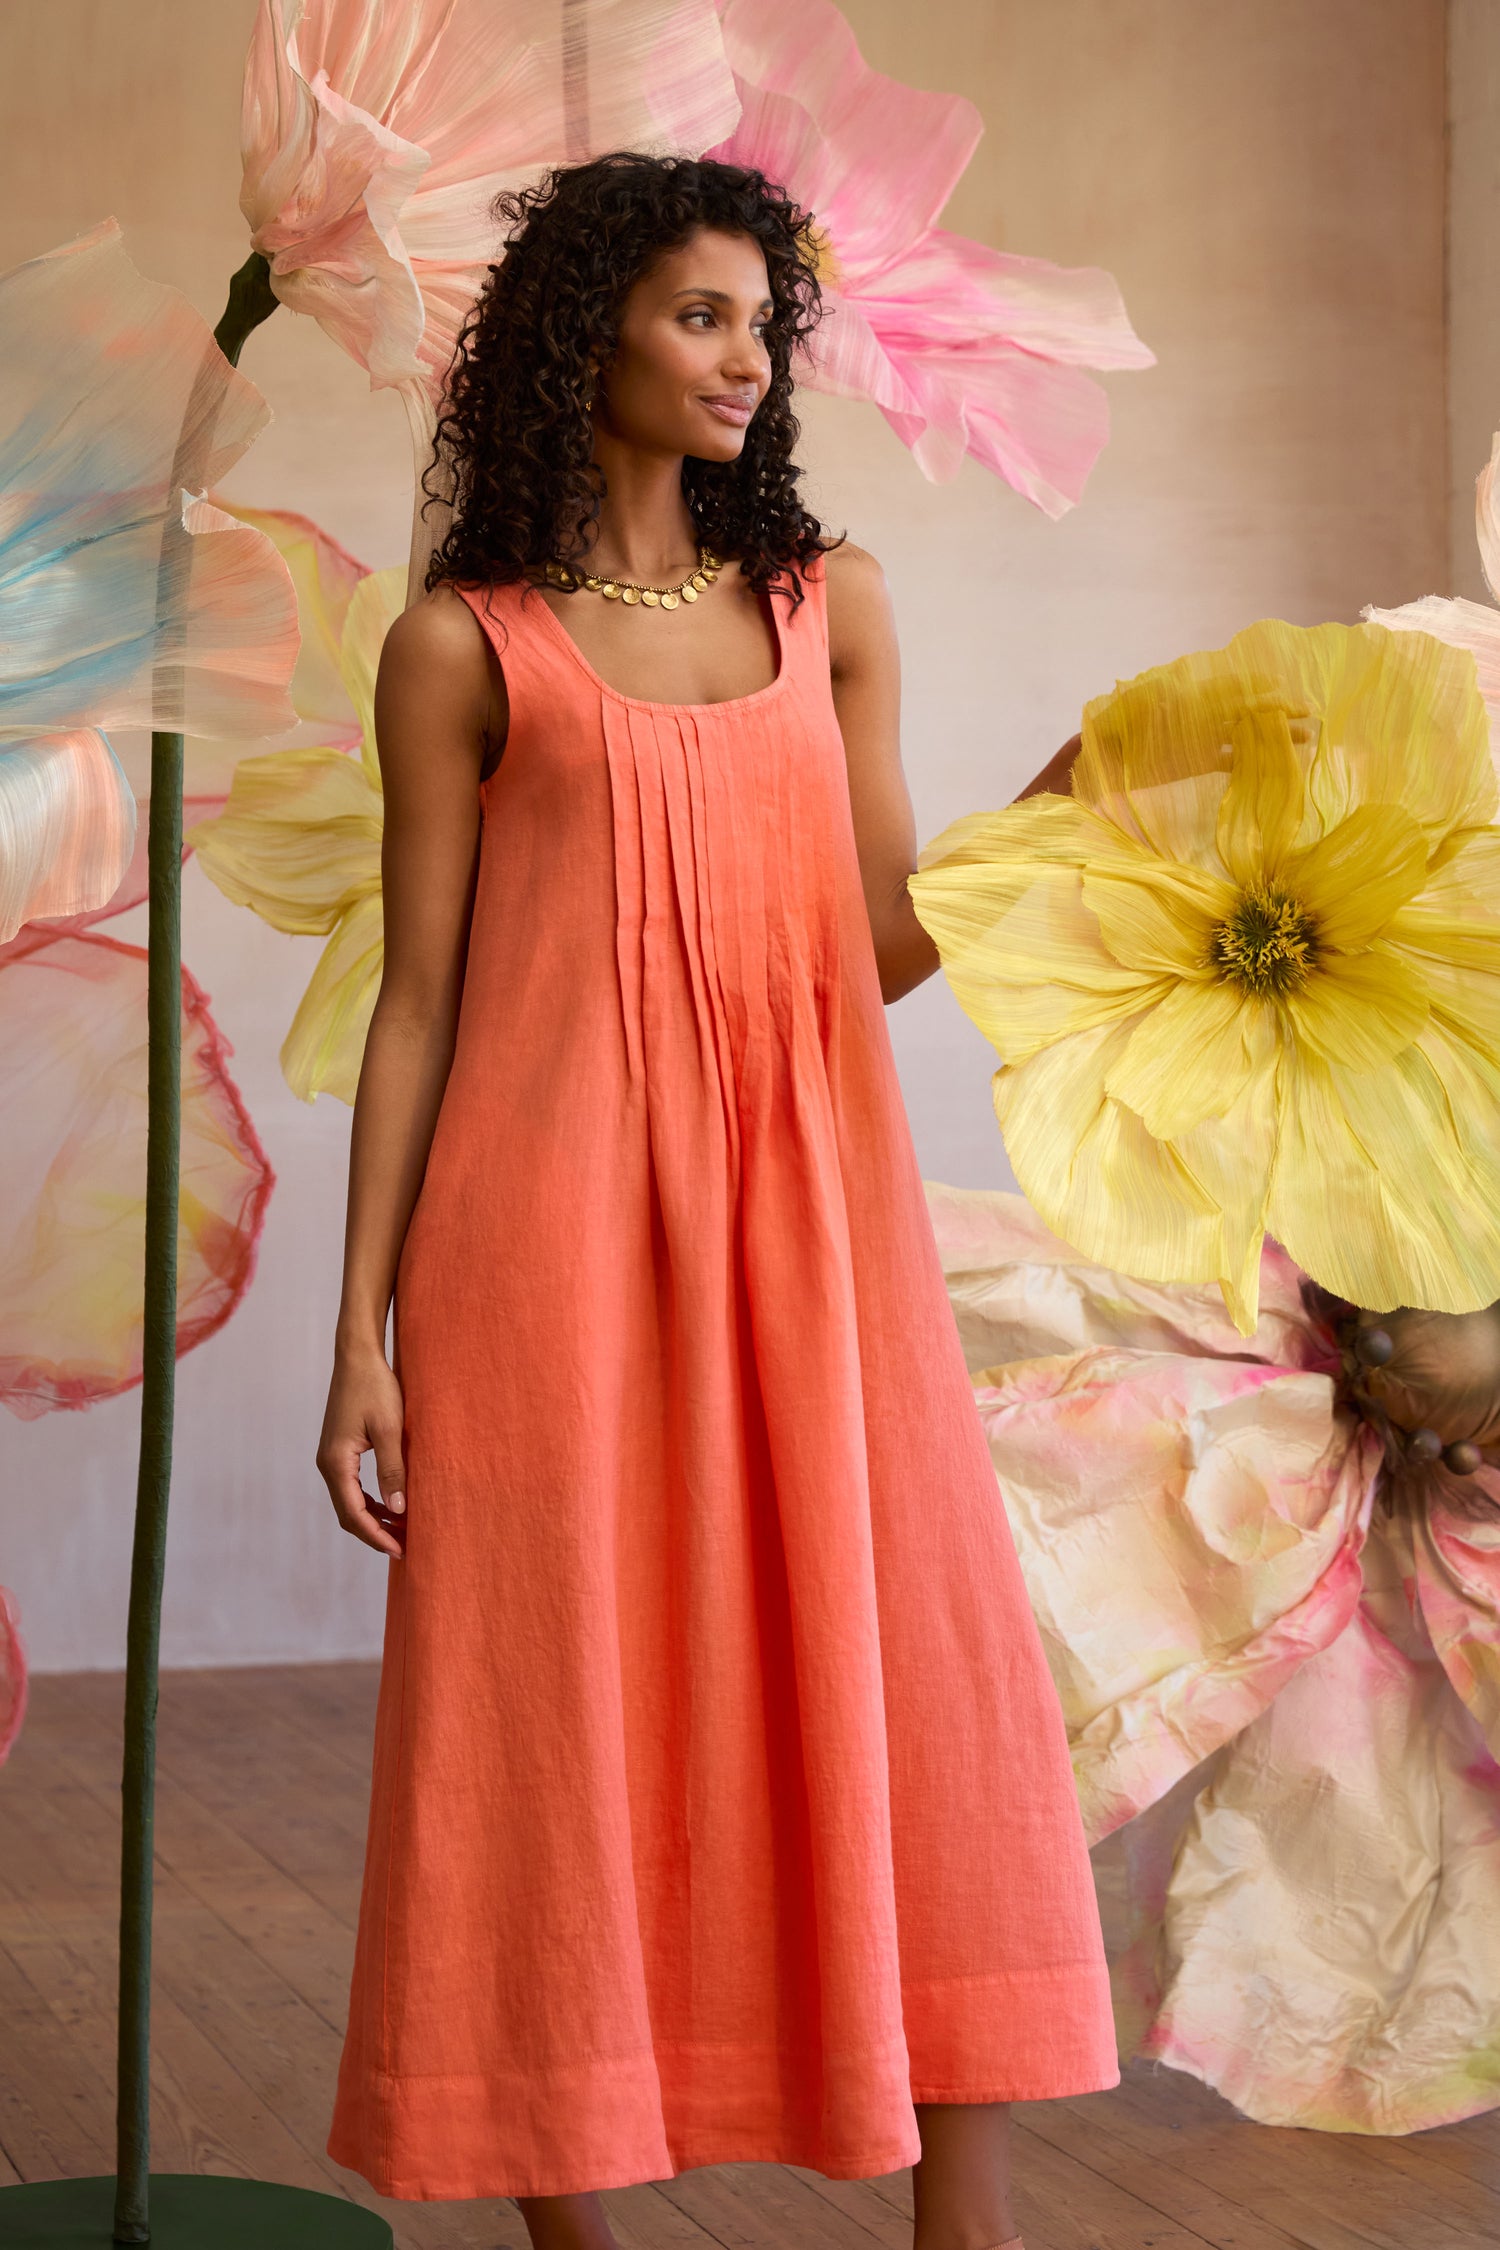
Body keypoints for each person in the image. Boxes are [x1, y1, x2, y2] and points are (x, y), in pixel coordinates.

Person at [319, 152, 1115, 2250]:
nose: (749, 358)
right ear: (582, 333)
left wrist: (1061, 813)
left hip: (819, 1227)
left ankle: (968, 2222)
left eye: (765, 322)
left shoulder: (830, 607)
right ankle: (571, 2215)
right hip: (540, 1237)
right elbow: (419, 1007)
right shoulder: (458, 647)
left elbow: (872, 948)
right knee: (544, 1693)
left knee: (919, 1662)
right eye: (701, 315)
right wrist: (359, 1337)